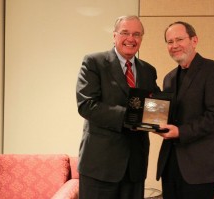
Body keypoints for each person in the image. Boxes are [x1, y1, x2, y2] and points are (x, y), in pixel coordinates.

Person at [76, 15, 160, 199]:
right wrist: (132, 116)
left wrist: (163, 119)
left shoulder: (148, 70)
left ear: (142, 38)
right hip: (100, 167)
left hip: (135, 168)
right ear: (114, 36)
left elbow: (156, 107)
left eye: (137, 34)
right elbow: (87, 105)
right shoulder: (94, 62)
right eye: (125, 33)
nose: (131, 38)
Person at [155, 21, 214, 199]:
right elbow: (166, 115)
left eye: (179, 39)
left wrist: (180, 131)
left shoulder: (213, 70)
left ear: (194, 40)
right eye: (169, 41)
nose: (174, 46)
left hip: (199, 167)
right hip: (170, 164)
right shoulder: (169, 78)